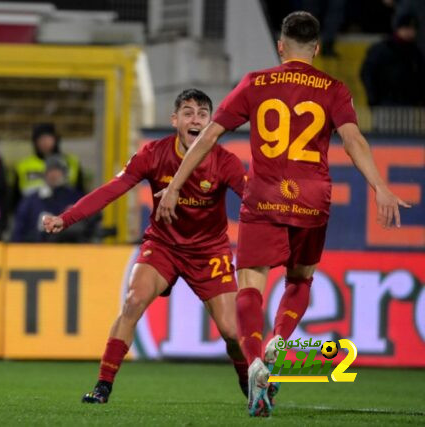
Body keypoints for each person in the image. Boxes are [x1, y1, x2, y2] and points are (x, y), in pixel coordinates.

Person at [156, 12, 411, 417]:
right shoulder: (333, 88)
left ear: (280, 46)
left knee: (250, 286)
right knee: (301, 278)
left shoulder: (256, 83)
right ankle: (281, 338)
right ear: (318, 48)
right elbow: (353, 139)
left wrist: (173, 185)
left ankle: (256, 360)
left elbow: (209, 137)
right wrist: (380, 187)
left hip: (265, 196)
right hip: (312, 199)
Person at [43, 89, 249, 404]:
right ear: (175, 120)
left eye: (203, 114)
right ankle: (103, 386)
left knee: (233, 333)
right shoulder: (153, 154)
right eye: (188, 113)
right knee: (133, 300)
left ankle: (249, 382)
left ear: (211, 121)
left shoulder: (225, 161)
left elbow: (253, 200)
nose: (196, 119)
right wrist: (67, 218)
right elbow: (113, 189)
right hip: (163, 246)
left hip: (208, 253)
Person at [12, 155, 87, 243]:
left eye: (57, 170)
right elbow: (18, 228)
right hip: (35, 249)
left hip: (66, 250)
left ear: (64, 173)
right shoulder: (31, 199)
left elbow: (84, 228)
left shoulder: (75, 197)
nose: (53, 174)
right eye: (50, 171)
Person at [13, 123, 85, 209]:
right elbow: (16, 197)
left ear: (56, 139)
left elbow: (80, 193)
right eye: (41, 139)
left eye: (48, 138)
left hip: (65, 215)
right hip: (33, 214)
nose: (44, 142)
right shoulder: (23, 165)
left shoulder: (71, 162)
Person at [360, 11, 425, 107]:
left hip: (410, 106)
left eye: (413, 29)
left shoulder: (415, 52)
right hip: (384, 104)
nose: (410, 32)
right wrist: (373, 98)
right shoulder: (382, 49)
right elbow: (367, 73)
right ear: (398, 29)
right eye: (406, 28)